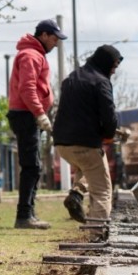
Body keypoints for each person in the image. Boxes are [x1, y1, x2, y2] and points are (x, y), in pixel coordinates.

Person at [7, 19, 66, 230]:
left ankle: (28, 213)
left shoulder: (34, 55)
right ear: (43, 35)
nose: (56, 43)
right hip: (26, 115)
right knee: (31, 166)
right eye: (54, 38)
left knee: (34, 165)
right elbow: (27, 88)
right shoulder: (30, 56)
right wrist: (40, 113)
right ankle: (24, 216)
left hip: (28, 114)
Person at [53, 45, 122, 224]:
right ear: (105, 63)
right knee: (102, 190)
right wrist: (108, 134)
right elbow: (109, 116)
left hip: (62, 144)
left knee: (89, 167)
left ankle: (76, 194)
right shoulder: (101, 81)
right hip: (84, 144)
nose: (113, 71)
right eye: (113, 67)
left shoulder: (71, 78)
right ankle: (96, 234)